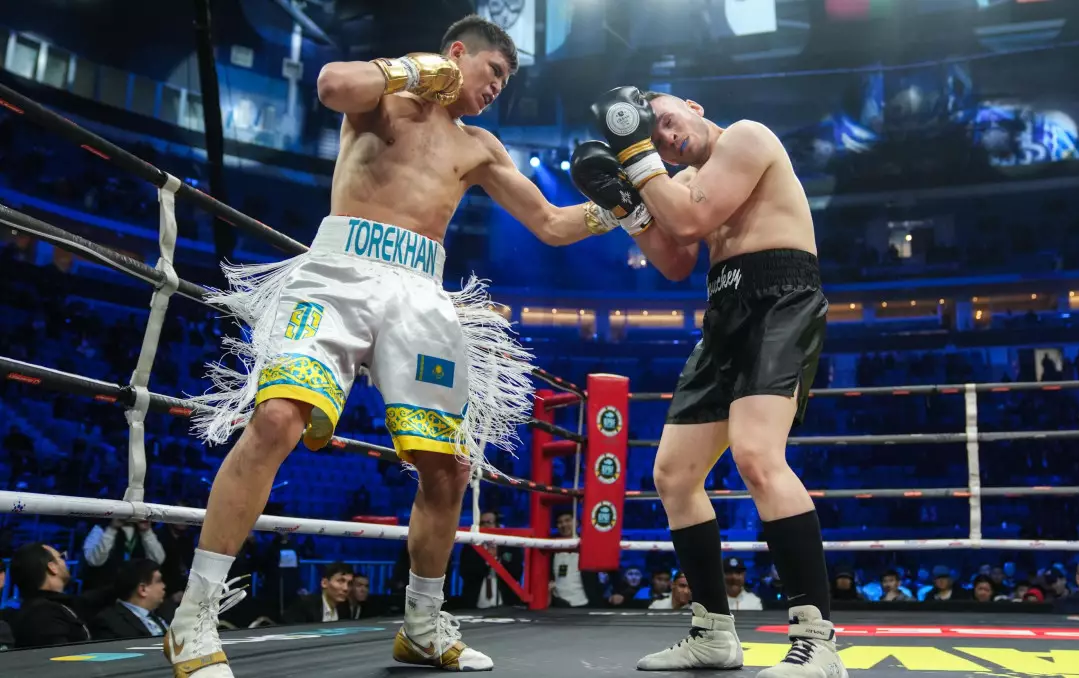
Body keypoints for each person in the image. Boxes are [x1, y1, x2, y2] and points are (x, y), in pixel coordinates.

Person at [170, 14, 643, 676]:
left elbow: (550, 223)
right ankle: (193, 616)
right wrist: (416, 69)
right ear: (458, 53)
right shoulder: (386, 96)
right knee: (276, 419)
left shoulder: (479, 147)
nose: (496, 89)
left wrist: (618, 207)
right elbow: (331, 85)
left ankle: (421, 625)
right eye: (493, 72)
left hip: (421, 292)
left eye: (505, 82)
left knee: (447, 467)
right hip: (338, 271)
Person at [572, 86, 839, 677]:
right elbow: (675, 262)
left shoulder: (746, 136)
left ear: (692, 106)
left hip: (781, 298)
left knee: (757, 455)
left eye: (667, 122)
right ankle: (714, 632)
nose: (667, 139)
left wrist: (635, 156)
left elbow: (690, 220)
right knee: (673, 474)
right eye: (655, 138)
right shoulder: (683, 182)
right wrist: (623, 204)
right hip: (725, 311)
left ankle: (817, 641)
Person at [10, 543, 106, 648]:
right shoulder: (44, 615)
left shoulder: (51, 606)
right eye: (61, 557)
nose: (65, 562)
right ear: (52, 567)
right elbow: (62, 656)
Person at [91, 559, 170, 640]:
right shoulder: (109, 622)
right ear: (143, 589)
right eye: (159, 581)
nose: (164, 586)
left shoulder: (165, 612)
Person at [282, 562, 353, 624]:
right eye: (340, 581)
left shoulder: (344, 608)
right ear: (324, 583)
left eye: (349, 583)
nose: (346, 588)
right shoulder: (304, 606)